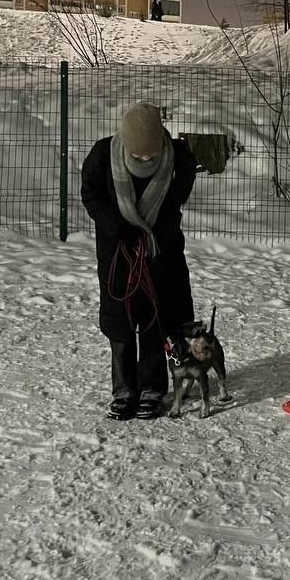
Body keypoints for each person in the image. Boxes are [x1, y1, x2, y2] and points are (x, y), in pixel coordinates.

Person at [80, 101, 198, 420]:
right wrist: (118, 227)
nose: (145, 159)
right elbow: (91, 195)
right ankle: (123, 389)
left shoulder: (178, 155)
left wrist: (158, 223)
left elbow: (179, 192)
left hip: (160, 251)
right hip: (117, 252)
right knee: (120, 322)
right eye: (138, 155)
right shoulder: (104, 154)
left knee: (153, 318)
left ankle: (152, 388)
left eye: (151, 154)